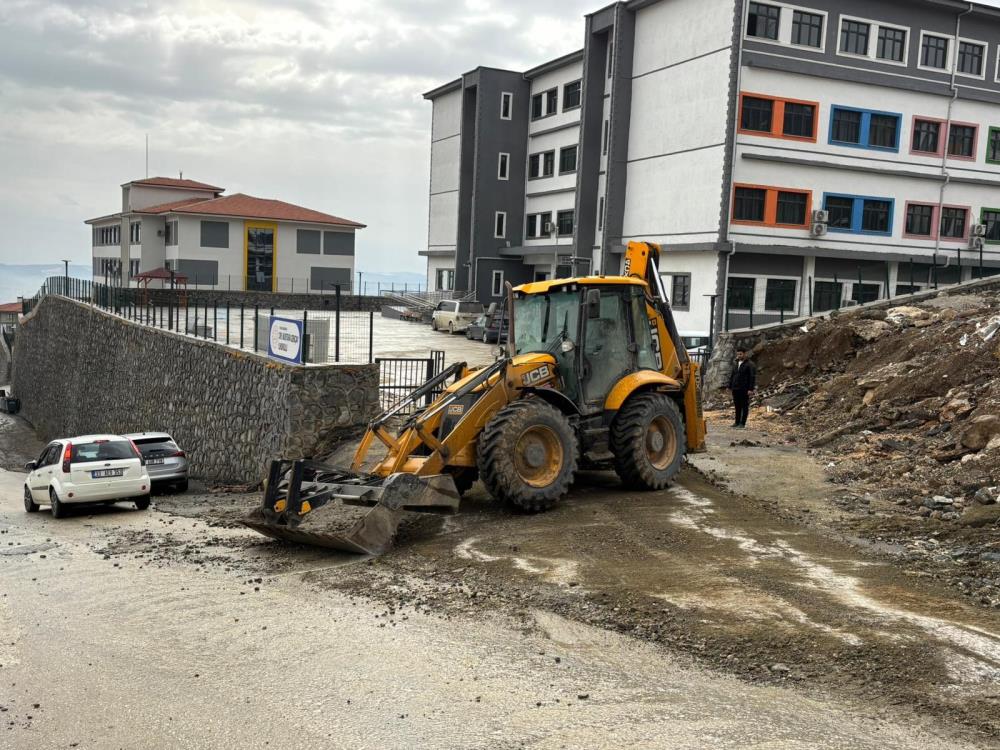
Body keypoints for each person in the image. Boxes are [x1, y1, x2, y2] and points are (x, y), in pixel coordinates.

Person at [728, 347, 757, 429]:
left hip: (744, 388)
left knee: (744, 406)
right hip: (735, 388)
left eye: (740, 354)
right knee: (737, 406)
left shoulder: (750, 364)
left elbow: (752, 377)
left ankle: (742, 423)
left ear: (745, 354)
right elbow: (732, 375)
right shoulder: (736, 363)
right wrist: (730, 386)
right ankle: (736, 422)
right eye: (738, 354)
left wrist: (750, 389)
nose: (739, 356)